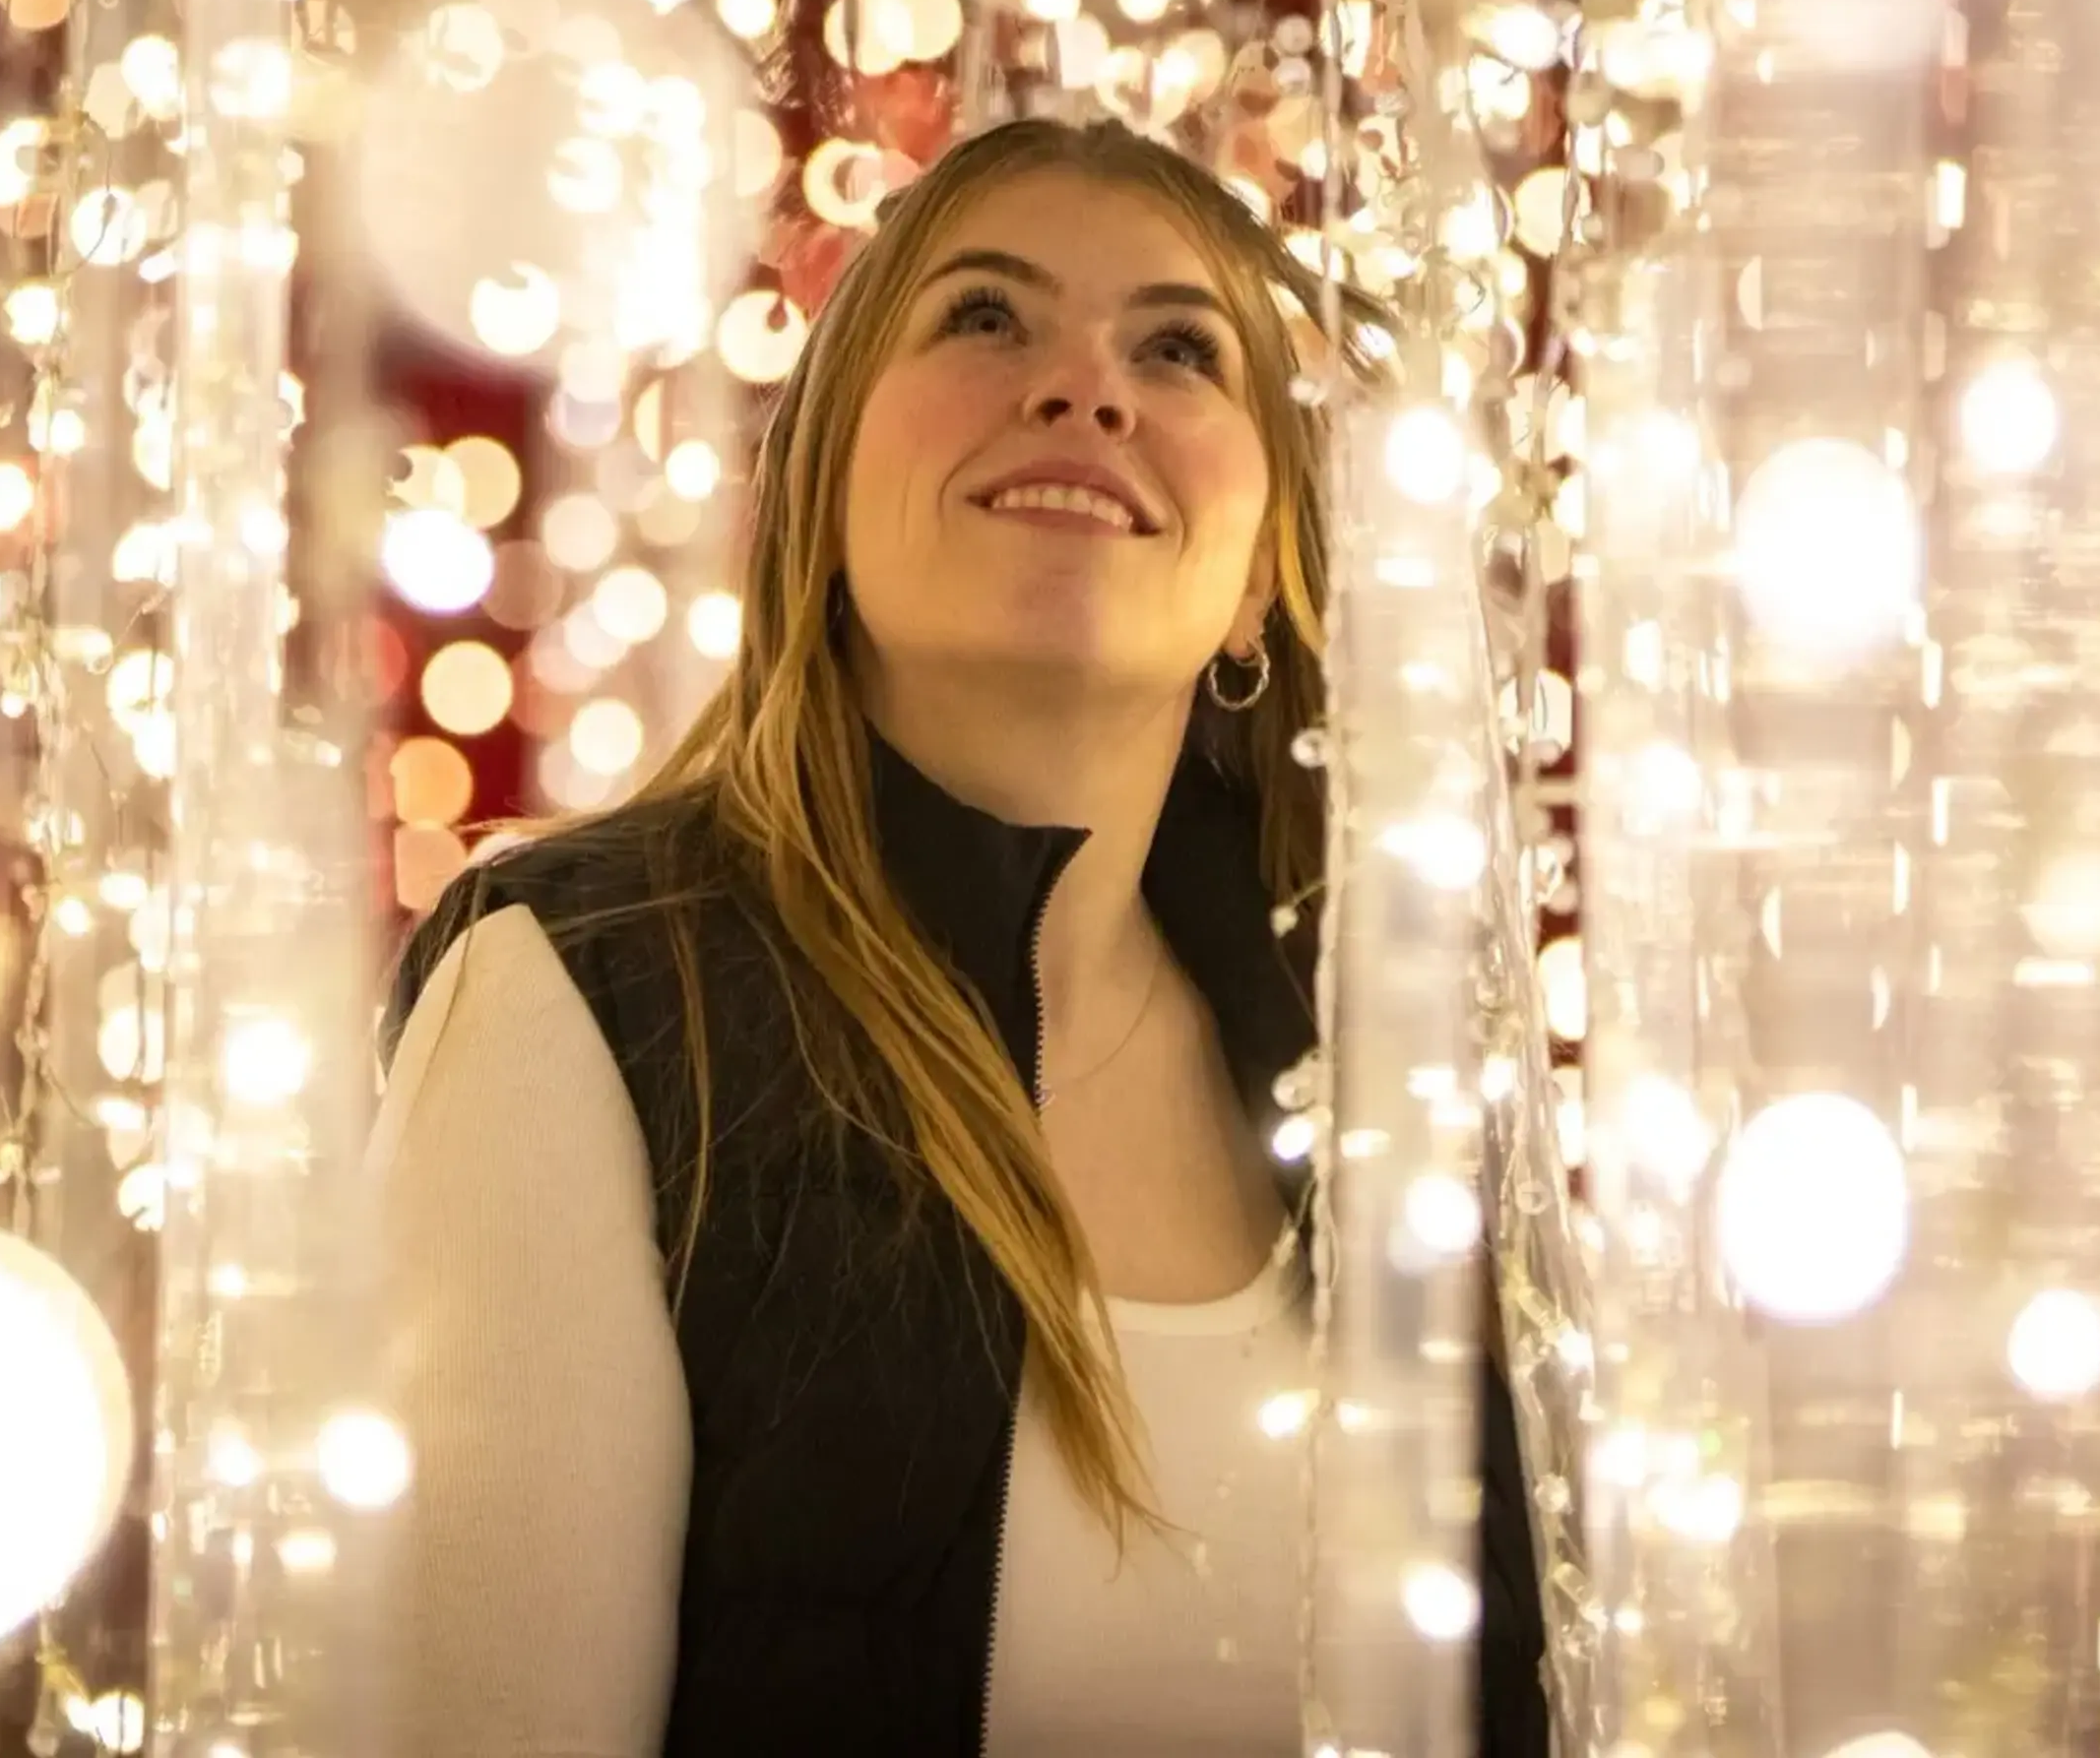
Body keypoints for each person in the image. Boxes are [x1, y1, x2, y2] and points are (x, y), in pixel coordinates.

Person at [352, 116, 1554, 1755]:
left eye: (1180, 349)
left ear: (1261, 581)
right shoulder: (589, 987)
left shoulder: (1377, 1079)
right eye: (986, 317)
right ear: (823, 494)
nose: (1089, 389)